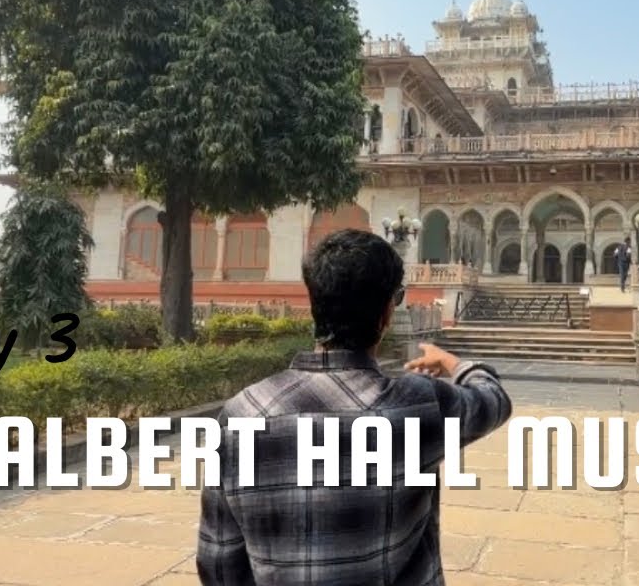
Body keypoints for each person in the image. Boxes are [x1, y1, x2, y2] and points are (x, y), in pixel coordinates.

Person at [196, 229, 512, 585]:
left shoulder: (242, 414)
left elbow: (219, 561)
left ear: (315, 302)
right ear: (387, 313)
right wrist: (455, 364)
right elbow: (495, 400)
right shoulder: (418, 403)